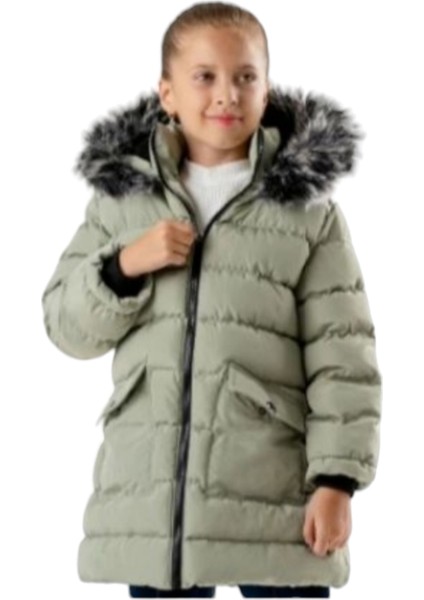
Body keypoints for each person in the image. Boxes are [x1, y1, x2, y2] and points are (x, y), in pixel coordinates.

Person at [41, 2, 382, 598]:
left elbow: (344, 356)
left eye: (245, 76)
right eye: (205, 76)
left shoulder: (307, 213)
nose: (227, 93)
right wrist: (124, 266)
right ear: (167, 93)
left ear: (266, 90)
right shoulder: (122, 201)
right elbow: (65, 326)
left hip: (273, 494)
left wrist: (336, 480)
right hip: (156, 501)